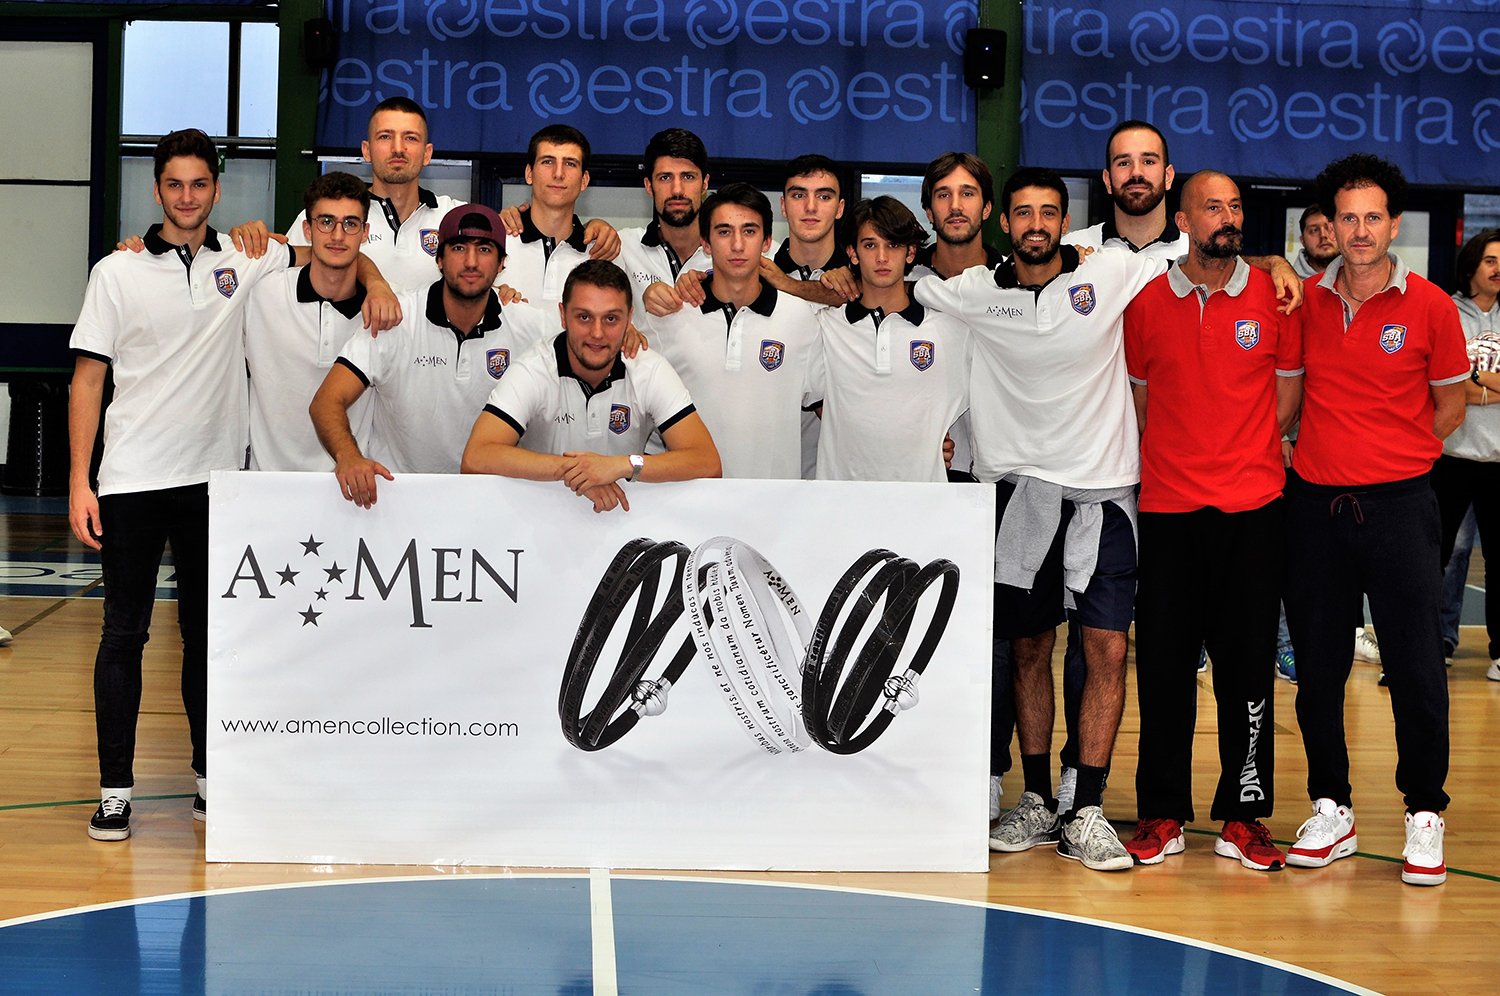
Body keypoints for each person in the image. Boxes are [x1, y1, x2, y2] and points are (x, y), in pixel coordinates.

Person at [916, 167, 1300, 872]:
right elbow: (899, 281)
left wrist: (1272, 261)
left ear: (1069, 223)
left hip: (1109, 497)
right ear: (1005, 221)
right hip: (1021, 495)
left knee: (1110, 652)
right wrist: (809, 282)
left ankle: (1086, 805)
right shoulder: (972, 292)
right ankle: (1036, 798)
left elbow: (1208, 249)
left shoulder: (1115, 270)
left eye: (1049, 213)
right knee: (1029, 651)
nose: (1036, 225)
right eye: (1024, 213)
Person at [68, 130, 398, 841]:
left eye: (200, 184)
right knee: (122, 635)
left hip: (216, 480)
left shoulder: (250, 257)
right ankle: (115, 791)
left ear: (217, 191)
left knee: (204, 636)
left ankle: (210, 781)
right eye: (175, 184)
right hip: (129, 479)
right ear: (157, 190)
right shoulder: (114, 272)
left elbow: (334, 251)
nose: (188, 197)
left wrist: (378, 281)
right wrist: (79, 478)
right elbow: (88, 379)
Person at [1282, 153, 1467, 887]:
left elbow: (1450, 404)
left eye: (1372, 218)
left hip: (1400, 508)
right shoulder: (1302, 301)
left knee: (1417, 667)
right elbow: (1288, 398)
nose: (1358, 232)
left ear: (1393, 224)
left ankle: (1425, 811)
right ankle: (1333, 808)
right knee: (1318, 674)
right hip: (1316, 511)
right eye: (1346, 218)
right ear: (1329, 224)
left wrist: (1401, 451)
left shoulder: (1430, 306)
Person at [1121, 171, 1304, 871]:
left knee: (1248, 671)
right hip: (1168, 511)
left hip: (1254, 511)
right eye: (1214, 208)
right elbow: (1141, 403)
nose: (1229, 218)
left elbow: (1287, 402)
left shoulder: (1274, 295)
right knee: (1164, 671)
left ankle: (1245, 815)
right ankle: (1163, 814)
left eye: (1236, 207)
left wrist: (1238, 458)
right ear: (1184, 220)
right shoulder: (1145, 305)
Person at [309, 204, 550, 505]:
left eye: (485, 250)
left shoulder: (532, 326)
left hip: (492, 502)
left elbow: (589, 336)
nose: (471, 262)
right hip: (396, 498)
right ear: (439, 259)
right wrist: (348, 457)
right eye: (459, 248)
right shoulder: (398, 318)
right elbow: (326, 400)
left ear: (502, 263)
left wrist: (628, 335)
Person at [461, 259, 720, 510]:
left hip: (624, 519)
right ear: (563, 316)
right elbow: (476, 457)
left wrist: (624, 465)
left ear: (630, 318)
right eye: (584, 317)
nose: (597, 333)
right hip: (539, 519)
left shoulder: (648, 369)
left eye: (611, 319)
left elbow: (707, 463)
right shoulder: (535, 368)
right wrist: (580, 473)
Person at [637, 183, 819, 480]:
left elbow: (831, 410)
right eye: (723, 232)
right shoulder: (667, 317)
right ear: (705, 244)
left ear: (767, 241)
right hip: (684, 502)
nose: (737, 245)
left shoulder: (800, 318)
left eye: (749, 231)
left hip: (772, 505)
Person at [810, 196, 968, 483]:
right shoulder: (824, 325)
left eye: (893, 245)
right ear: (852, 254)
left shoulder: (952, 329)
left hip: (922, 507)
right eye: (870, 245)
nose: (882, 257)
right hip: (840, 508)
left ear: (910, 253)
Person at [246, 172, 376, 471]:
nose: (338, 235)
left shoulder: (383, 310)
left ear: (365, 231)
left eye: (350, 223)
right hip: (265, 486)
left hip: (351, 490)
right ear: (307, 228)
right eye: (326, 222)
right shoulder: (261, 293)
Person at [286, 97, 463, 294]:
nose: (398, 148)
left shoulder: (456, 217)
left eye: (410, 138)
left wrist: (505, 221)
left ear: (427, 153)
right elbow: (279, 273)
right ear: (366, 151)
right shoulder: (324, 218)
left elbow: (492, 272)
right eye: (385, 137)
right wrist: (252, 240)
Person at [1431, 230, 1500, 681]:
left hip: (1498, 460)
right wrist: (1485, 386)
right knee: (1441, 556)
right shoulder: (1446, 313)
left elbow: (1464, 381)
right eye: (1491, 259)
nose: (1498, 267)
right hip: (1451, 455)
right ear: (1472, 264)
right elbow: (1443, 382)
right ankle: (1435, 642)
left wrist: (1475, 379)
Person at [495, 125, 619, 310]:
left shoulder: (602, 251)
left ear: (584, 180)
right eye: (547, 161)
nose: (558, 174)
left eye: (570, 163)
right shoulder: (494, 242)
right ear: (529, 174)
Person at [1065, 120, 1188, 257]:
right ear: (1107, 180)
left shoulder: (1195, 253)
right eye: (1124, 163)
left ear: (1168, 177)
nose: (1136, 172)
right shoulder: (1071, 250)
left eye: (1148, 161)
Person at [614, 128, 713, 296]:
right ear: (648, 186)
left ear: (704, 183)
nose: (677, 190)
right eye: (665, 177)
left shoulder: (735, 251)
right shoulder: (622, 248)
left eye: (688, 177)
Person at [1291, 205, 1339, 279]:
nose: (1323, 235)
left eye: (1330, 228)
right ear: (1302, 240)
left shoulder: (1361, 280)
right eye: (1314, 230)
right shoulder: (1286, 284)